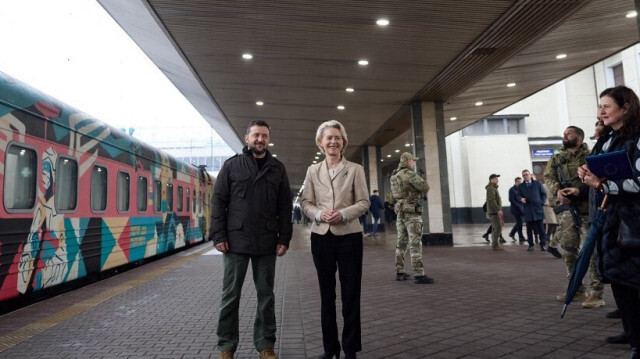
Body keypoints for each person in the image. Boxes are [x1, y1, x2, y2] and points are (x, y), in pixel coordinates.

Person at [212, 120, 293, 359]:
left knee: (266, 295)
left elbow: (285, 206)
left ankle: (265, 345)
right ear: (247, 138)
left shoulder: (277, 168)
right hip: (235, 240)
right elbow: (218, 202)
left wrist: (284, 238)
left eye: (264, 136)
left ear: (269, 139)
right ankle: (226, 347)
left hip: (267, 241)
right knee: (230, 296)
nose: (260, 139)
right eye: (256, 135)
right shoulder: (232, 166)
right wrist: (218, 234)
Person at [579, 86, 640, 359]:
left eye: (606, 106)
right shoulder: (607, 139)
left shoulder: (637, 138)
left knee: (634, 281)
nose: (600, 111)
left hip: (633, 222)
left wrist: (604, 186)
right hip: (610, 220)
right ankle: (632, 332)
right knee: (620, 281)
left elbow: (638, 182)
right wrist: (587, 175)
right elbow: (601, 173)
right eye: (599, 106)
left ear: (625, 107)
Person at [301, 120, 369, 359]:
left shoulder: (355, 169)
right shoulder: (312, 171)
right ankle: (330, 349)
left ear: (343, 143)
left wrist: (343, 213)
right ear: (320, 143)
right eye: (328, 138)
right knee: (326, 295)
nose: (333, 141)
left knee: (351, 293)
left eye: (337, 138)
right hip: (322, 238)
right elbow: (305, 202)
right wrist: (319, 214)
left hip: (349, 236)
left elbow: (363, 202)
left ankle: (350, 349)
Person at [544, 126, 605, 308]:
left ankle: (596, 293)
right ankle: (576, 288)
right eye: (563, 133)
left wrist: (580, 190)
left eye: (569, 133)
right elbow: (549, 176)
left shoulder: (591, 155)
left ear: (579, 137)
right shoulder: (557, 157)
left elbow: (600, 178)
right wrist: (558, 191)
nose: (565, 136)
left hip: (589, 211)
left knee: (591, 253)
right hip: (568, 212)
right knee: (569, 250)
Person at [390, 152, 435, 282]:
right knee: (415, 243)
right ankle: (419, 274)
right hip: (412, 213)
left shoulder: (394, 176)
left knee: (401, 243)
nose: (414, 163)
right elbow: (425, 187)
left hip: (400, 212)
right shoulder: (410, 174)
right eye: (413, 161)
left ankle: (400, 271)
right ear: (408, 161)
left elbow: (393, 196)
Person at [516, 169, 547, 251]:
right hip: (528, 209)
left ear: (530, 175)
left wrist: (541, 202)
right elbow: (518, 196)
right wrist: (521, 199)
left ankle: (543, 244)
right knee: (529, 229)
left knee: (541, 229)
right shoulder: (521, 186)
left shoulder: (537, 183)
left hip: (538, 209)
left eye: (527, 174)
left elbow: (543, 194)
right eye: (524, 175)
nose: (525, 176)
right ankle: (531, 245)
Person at [484, 174, 504, 250]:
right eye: (495, 178)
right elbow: (492, 201)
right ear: (491, 180)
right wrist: (498, 209)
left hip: (493, 211)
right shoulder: (491, 189)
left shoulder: (493, 188)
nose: (497, 180)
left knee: (495, 228)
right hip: (494, 212)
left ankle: (495, 244)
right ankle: (495, 245)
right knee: (498, 228)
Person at [542, 183, 559, 254]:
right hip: (547, 205)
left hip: (556, 205)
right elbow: (542, 195)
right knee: (552, 222)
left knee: (555, 223)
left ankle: (552, 241)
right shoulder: (544, 185)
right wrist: (544, 202)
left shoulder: (557, 183)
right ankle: (548, 238)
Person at [508, 176, 526, 242]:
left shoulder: (521, 189)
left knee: (519, 223)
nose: (520, 183)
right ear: (515, 182)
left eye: (520, 182)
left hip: (522, 208)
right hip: (515, 209)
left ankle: (512, 233)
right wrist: (519, 204)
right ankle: (521, 237)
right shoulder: (512, 189)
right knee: (519, 223)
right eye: (518, 182)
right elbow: (511, 199)